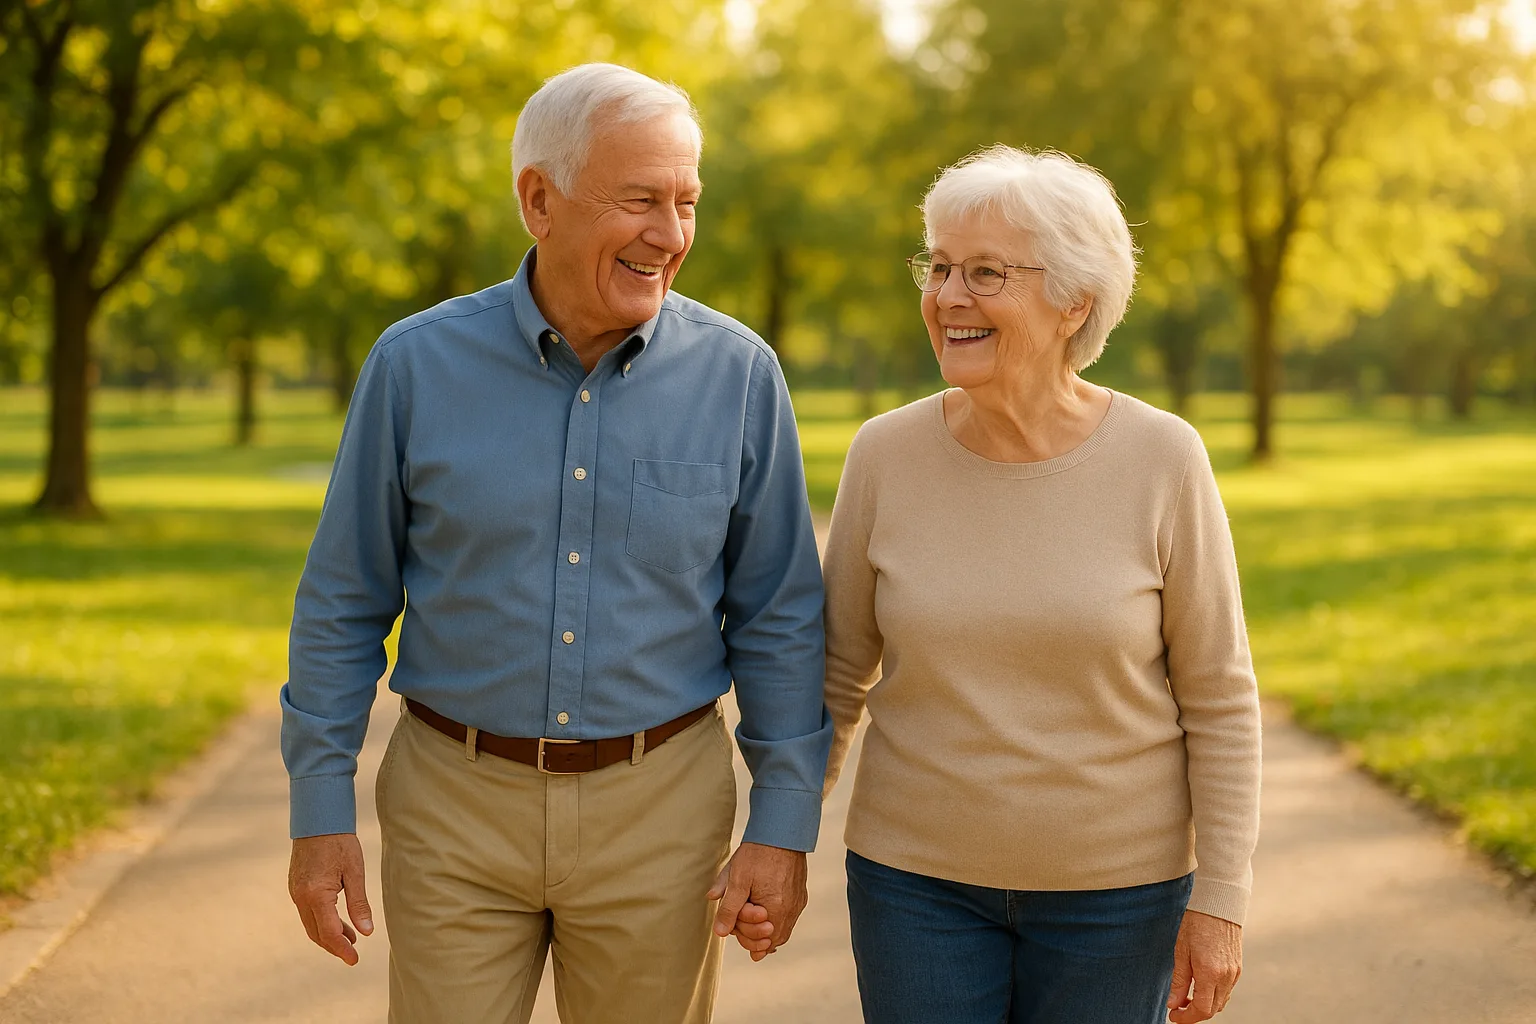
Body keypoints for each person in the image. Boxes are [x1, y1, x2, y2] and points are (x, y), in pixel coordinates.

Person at [281, 63, 831, 1024]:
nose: (670, 235)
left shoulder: (740, 377)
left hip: (661, 813)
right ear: (539, 199)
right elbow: (343, 599)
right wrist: (320, 810)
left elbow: (780, 617)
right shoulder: (414, 367)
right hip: (453, 807)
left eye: (687, 203)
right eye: (641, 200)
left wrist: (782, 825)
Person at [820, 146, 1262, 1024]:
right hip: (915, 887)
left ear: (1075, 303)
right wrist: (777, 837)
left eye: (986, 273)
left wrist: (1221, 899)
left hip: (1119, 898)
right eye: (940, 266)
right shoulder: (884, 454)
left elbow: (1219, 697)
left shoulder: (1163, 458)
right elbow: (836, 678)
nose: (949, 297)